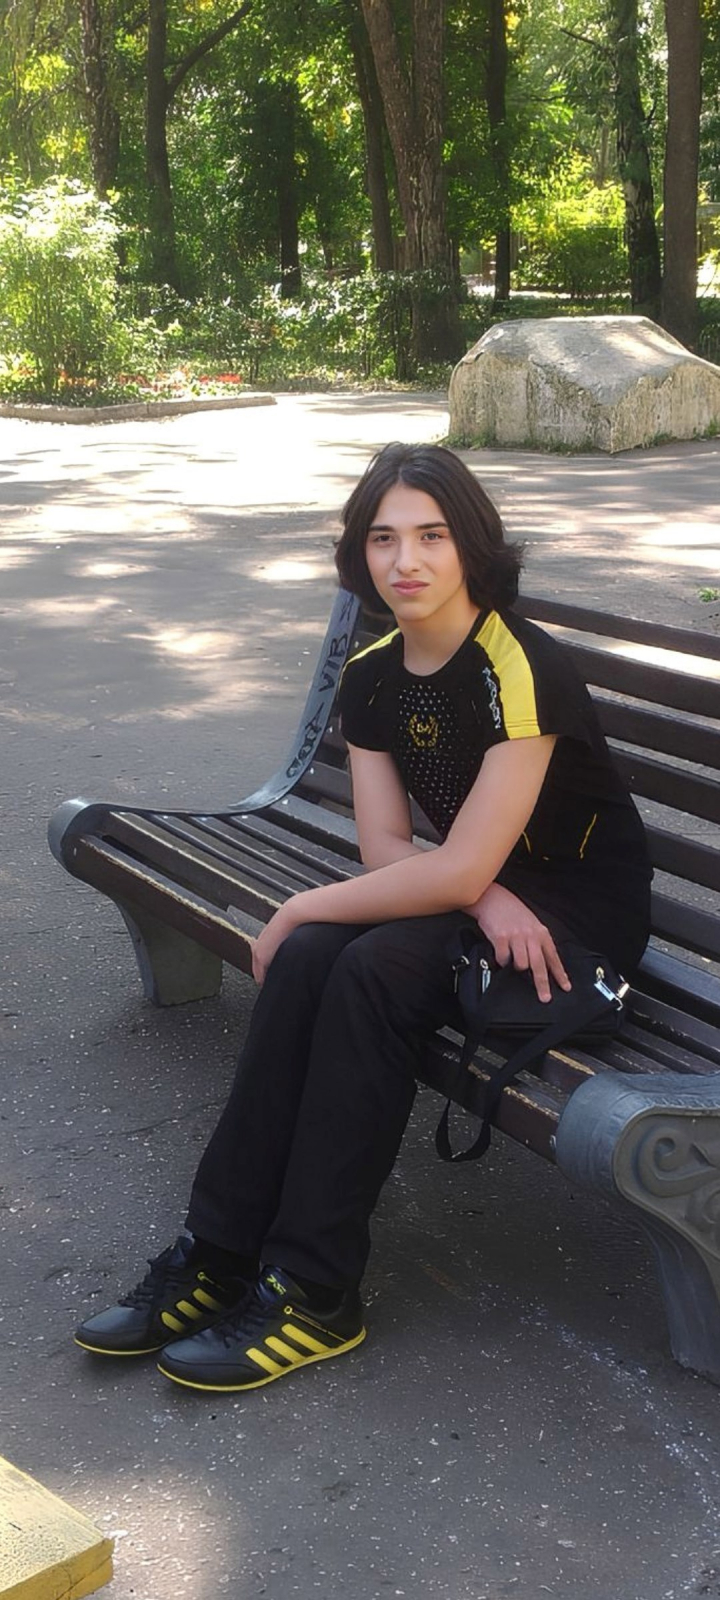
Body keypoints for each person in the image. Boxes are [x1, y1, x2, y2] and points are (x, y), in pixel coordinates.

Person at [75, 442, 652, 1393]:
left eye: (432, 535)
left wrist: (311, 900)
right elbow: (389, 849)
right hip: (484, 891)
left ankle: (314, 1289)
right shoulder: (376, 672)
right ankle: (217, 1253)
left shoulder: (519, 665)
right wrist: (474, 890)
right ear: (360, 553)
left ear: (472, 546)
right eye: (383, 538)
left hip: (576, 916)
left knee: (371, 969)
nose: (406, 560)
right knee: (310, 959)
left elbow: (453, 863)